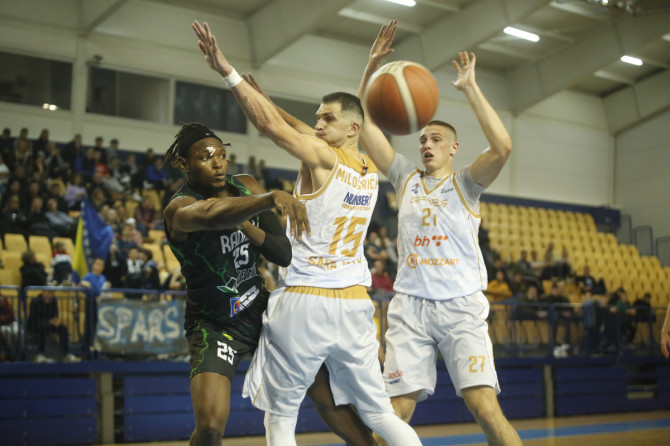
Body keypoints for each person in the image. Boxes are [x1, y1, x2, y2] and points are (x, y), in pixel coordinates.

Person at [192, 20, 420, 446]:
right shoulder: (368, 167)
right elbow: (309, 123)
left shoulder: (323, 157)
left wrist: (228, 72)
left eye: (326, 118)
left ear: (351, 129)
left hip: (307, 300)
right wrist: (368, 68)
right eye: (317, 117)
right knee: (381, 414)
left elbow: (270, 127)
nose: (317, 124)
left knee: (280, 417)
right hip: (355, 305)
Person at [357, 20, 521, 445]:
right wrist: (371, 70)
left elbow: (503, 146)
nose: (426, 145)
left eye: (435, 139)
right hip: (410, 307)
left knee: (485, 408)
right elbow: (365, 127)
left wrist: (470, 88)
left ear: (453, 148)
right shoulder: (405, 177)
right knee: (394, 414)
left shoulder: (467, 183)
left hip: (460, 306)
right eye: (422, 139)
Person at [163, 120, 372, 446]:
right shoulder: (179, 208)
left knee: (324, 388)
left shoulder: (247, 185)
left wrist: (249, 222)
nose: (218, 164)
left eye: (221, 155)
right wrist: (268, 199)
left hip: (261, 310)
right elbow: (210, 215)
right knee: (210, 428)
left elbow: (282, 253)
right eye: (206, 157)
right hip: (214, 324)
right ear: (183, 164)